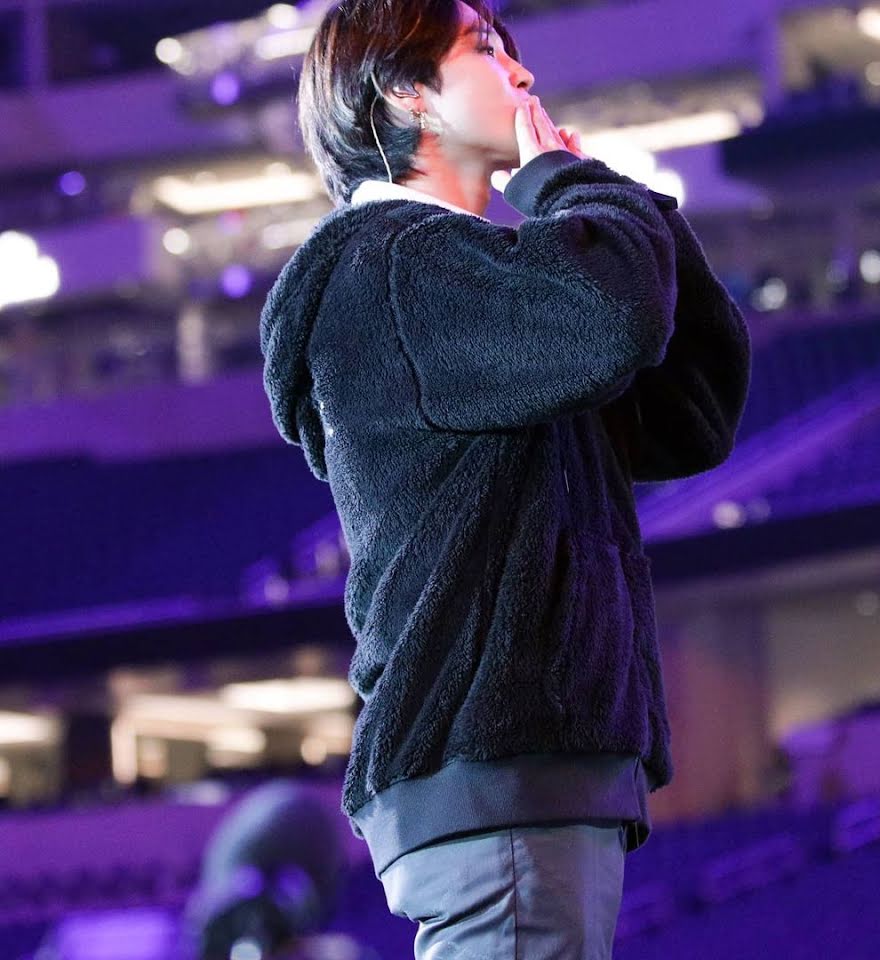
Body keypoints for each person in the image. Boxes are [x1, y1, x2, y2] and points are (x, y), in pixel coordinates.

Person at [260, 1, 752, 956]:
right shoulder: (392, 266)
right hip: (497, 770)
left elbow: (691, 411)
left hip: (527, 773)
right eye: (484, 48)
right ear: (406, 91)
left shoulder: (482, 286)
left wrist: (605, 199)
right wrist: (571, 185)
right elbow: (612, 319)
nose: (522, 74)